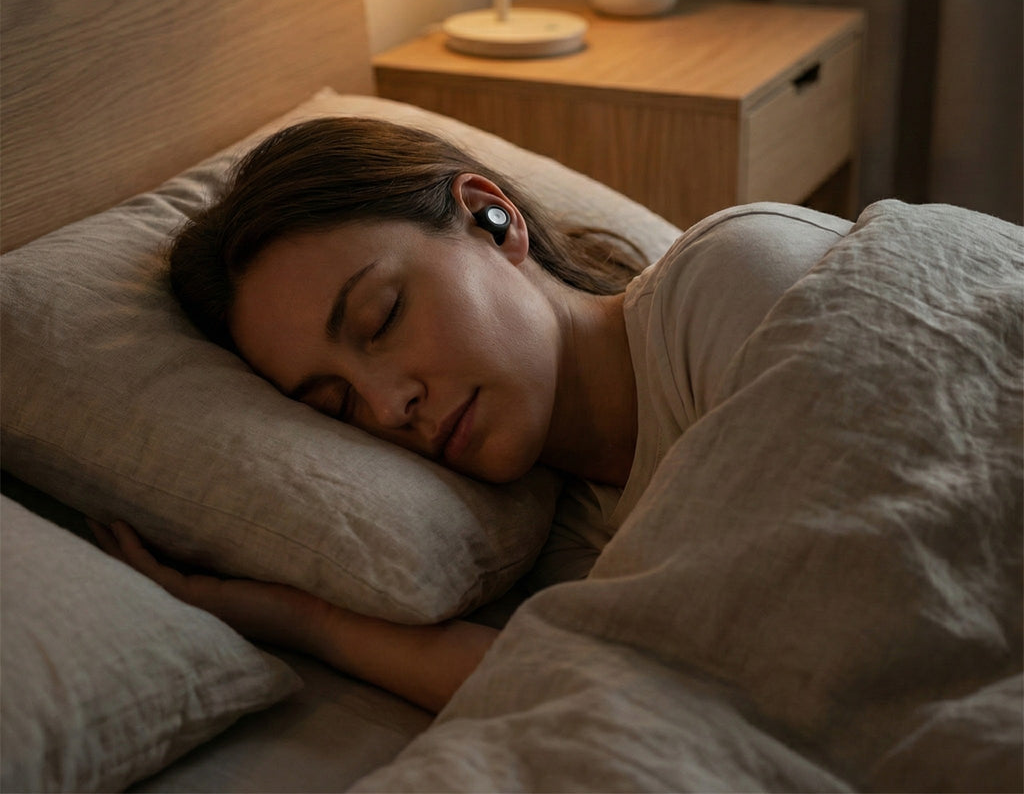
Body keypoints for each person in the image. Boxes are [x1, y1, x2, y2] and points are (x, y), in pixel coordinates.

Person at [91, 115, 851, 713]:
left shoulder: (732, 276)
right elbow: (620, 699)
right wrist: (303, 619)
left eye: (382, 316)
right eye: (337, 403)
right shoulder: (569, 543)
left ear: (493, 218)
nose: (390, 406)